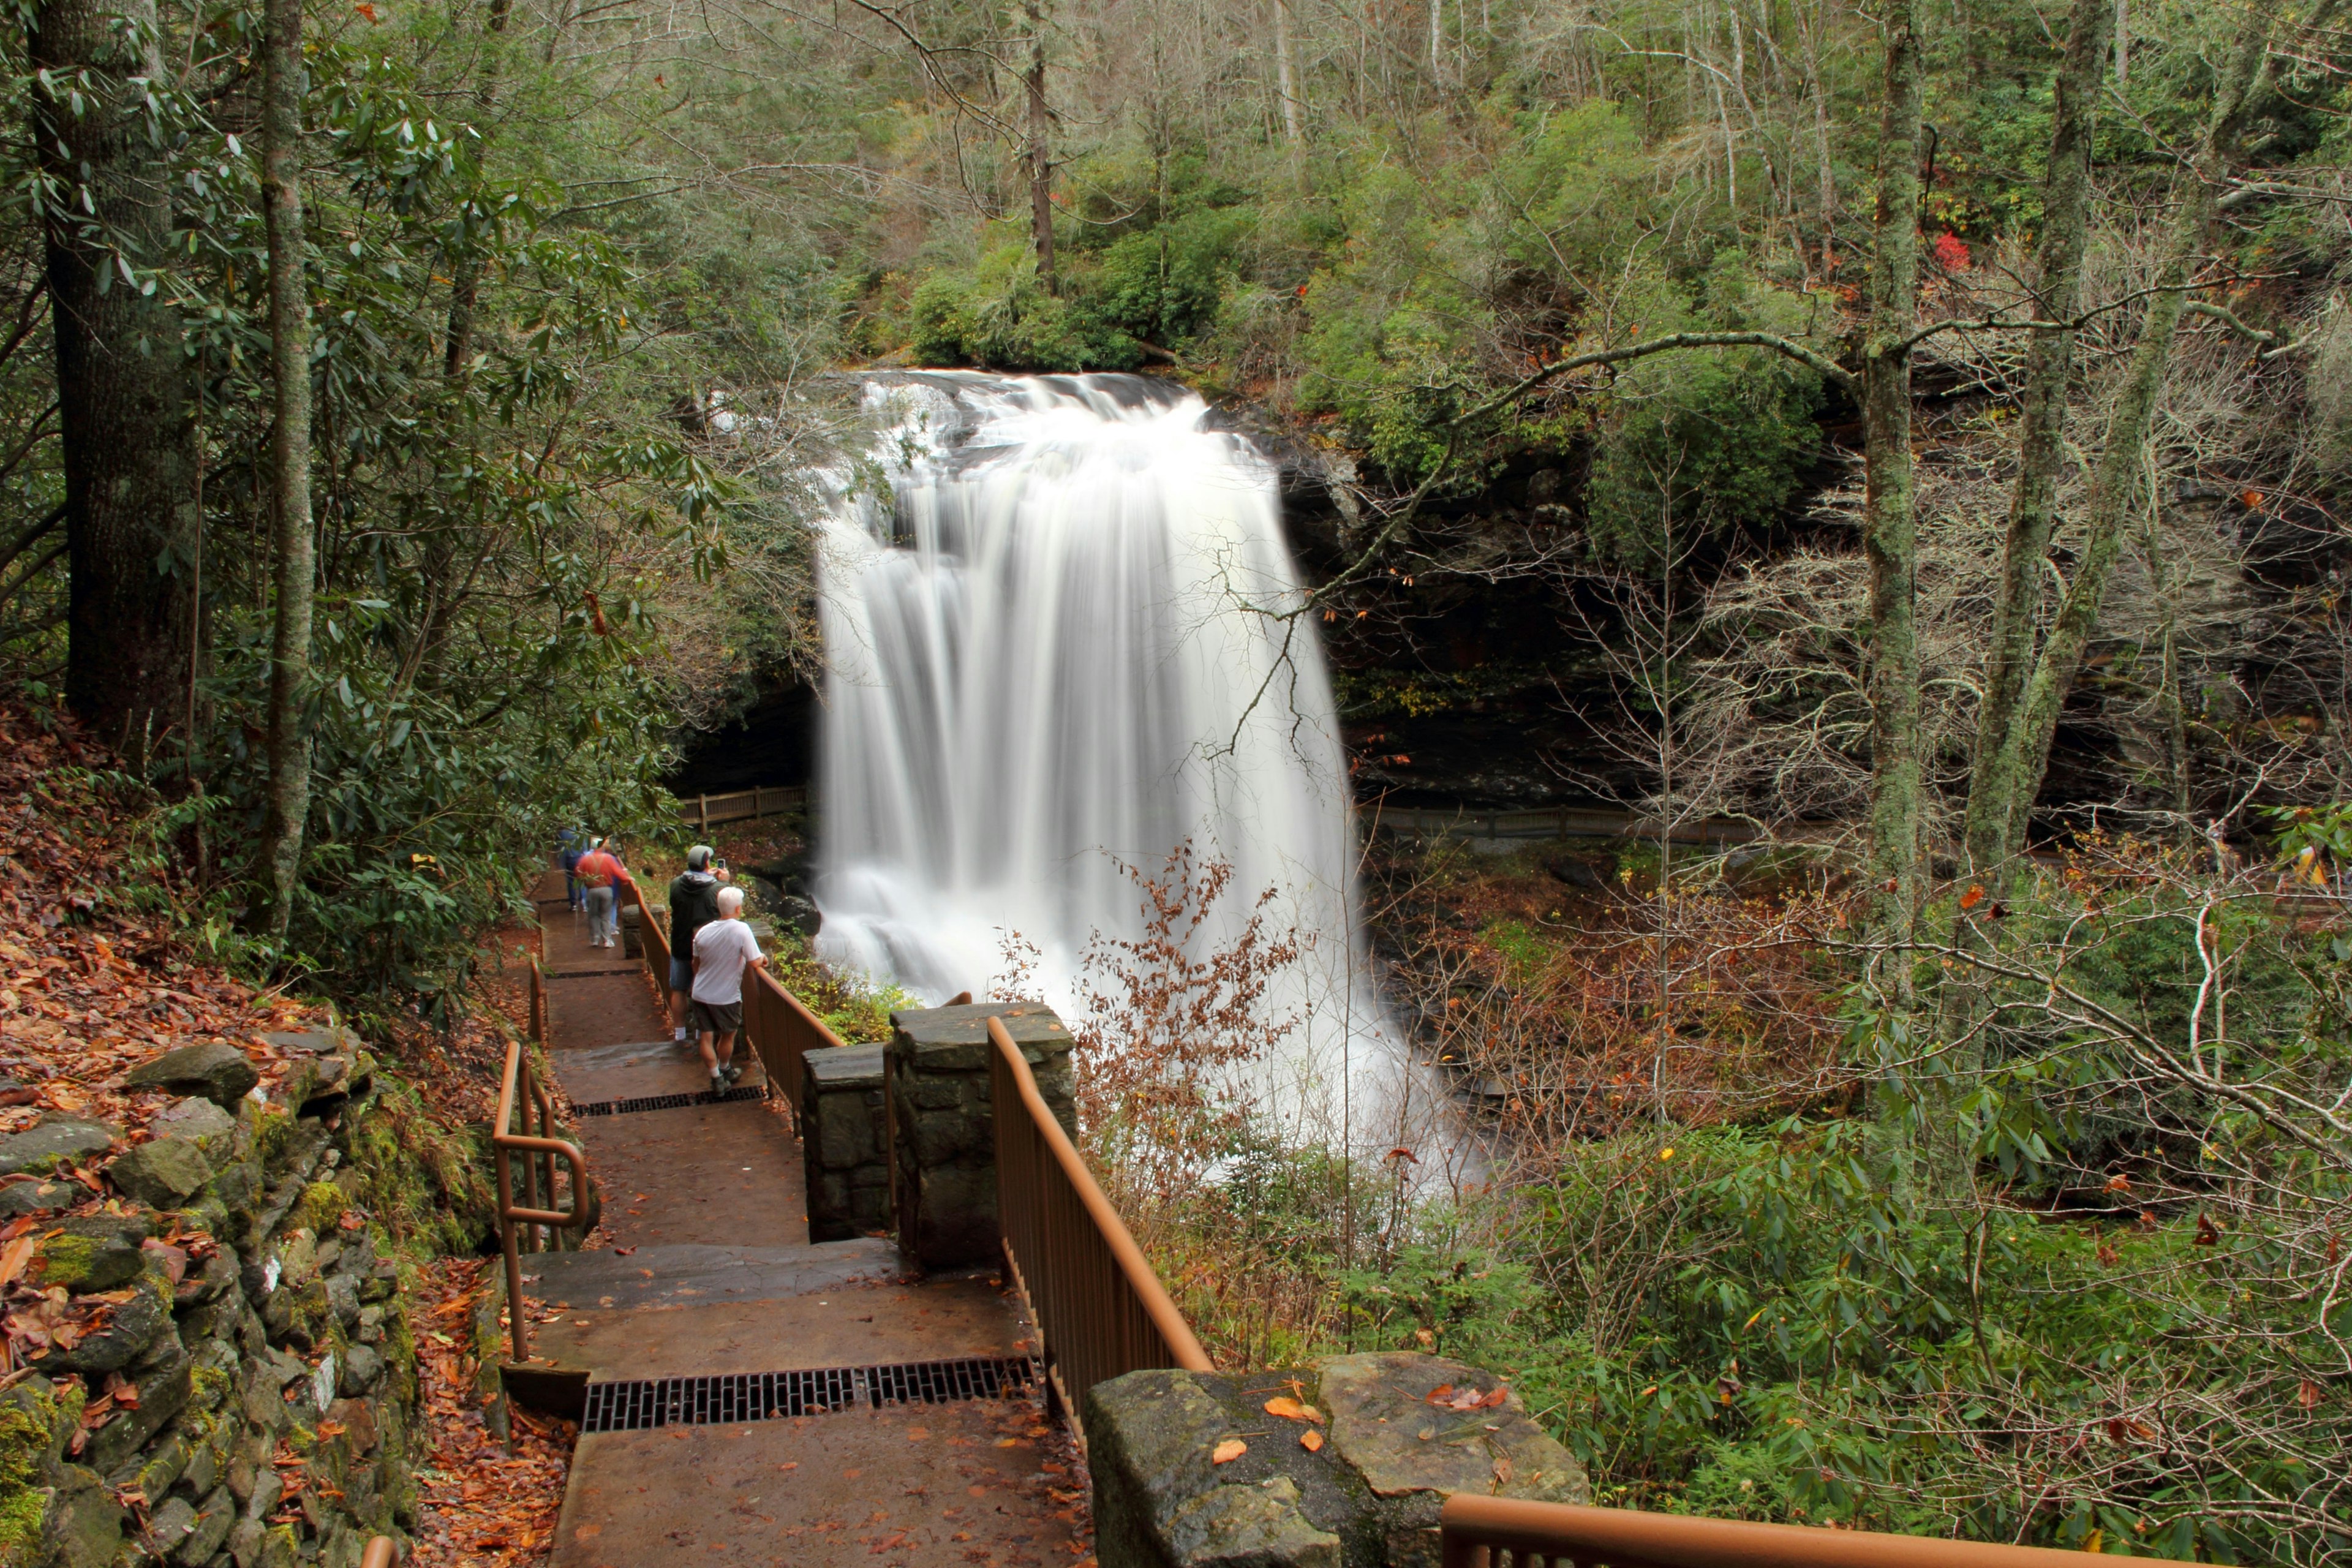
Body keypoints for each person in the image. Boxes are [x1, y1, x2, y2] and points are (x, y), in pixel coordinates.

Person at [690, 884, 765, 1091]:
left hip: (700, 993)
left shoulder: (703, 932)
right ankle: (725, 1069)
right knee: (728, 1035)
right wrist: (764, 958)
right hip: (726, 997)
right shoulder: (741, 929)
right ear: (738, 909)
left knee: (706, 1037)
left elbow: (695, 965)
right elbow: (755, 962)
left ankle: (717, 1079)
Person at [666, 846, 728, 1044]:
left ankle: (680, 1033)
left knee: (679, 989)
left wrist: (705, 876)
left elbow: (685, 894)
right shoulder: (717, 889)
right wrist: (723, 882)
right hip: (706, 950)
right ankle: (702, 1032)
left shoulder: (676, 884)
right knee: (703, 990)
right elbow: (729, 909)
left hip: (681, 944)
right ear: (708, 863)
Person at [575, 837, 627, 949]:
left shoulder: (585, 859)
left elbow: (577, 873)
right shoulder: (608, 859)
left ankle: (594, 939)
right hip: (606, 890)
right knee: (605, 916)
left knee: (593, 915)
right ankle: (607, 940)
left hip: (591, 890)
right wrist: (628, 879)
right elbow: (619, 873)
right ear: (602, 847)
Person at [557, 829, 586, 913]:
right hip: (580, 858)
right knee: (582, 880)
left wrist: (561, 863)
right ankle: (584, 902)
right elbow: (584, 846)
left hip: (569, 859)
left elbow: (561, 848)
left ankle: (573, 904)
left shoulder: (563, 832)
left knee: (571, 881)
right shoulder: (579, 831)